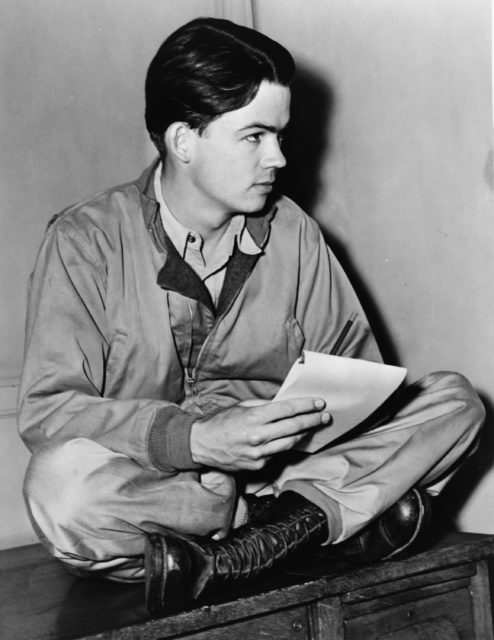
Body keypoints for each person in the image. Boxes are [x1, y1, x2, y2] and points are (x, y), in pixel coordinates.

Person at [18, 17, 484, 614]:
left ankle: (254, 543)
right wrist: (195, 439)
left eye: (281, 136)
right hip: (168, 493)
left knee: (454, 402)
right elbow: (50, 410)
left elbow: (363, 382)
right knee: (58, 488)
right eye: (256, 136)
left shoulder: (294, 234)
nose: (280, 158)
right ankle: (312, 526)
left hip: (287, 474)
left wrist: (317, 428)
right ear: (185, 141)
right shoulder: (85, 240)